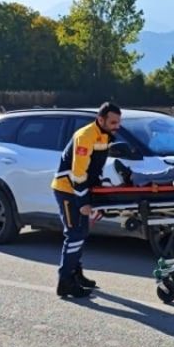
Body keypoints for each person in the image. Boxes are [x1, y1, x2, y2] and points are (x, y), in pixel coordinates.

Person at [51, 102, 122, 299]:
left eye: (119, 122)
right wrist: (83, 202)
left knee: (81, 233)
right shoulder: (85, 136)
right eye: (113, 122)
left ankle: (75, 273)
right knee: (74, 234)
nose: (117, 126)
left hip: (81, 189)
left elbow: (94, 169)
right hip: (67, 190)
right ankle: (64, 282)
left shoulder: (105, 135)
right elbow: (78, 173)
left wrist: (98, 192)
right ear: (101, 120)